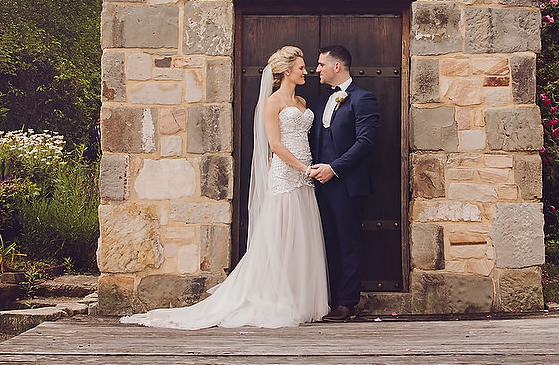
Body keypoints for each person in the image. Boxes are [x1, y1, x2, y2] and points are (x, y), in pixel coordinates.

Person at [121, 46, 329, 329]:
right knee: (280, 237)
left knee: (302, 237)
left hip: (304, 176)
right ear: (285, 72)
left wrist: (308, 169)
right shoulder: (272, 103)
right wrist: (303, 168)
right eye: (301, 68)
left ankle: (297, 298)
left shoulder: (304, 103)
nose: (306, 72)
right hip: (286, 175)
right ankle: (273, 298)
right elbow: (276, 145)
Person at [309, 44, 379, 322]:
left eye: (321, 65)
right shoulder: (320, 100)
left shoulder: (364, 99)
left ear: (336, 67)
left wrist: (334, 169)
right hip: (318, 184)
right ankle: (328, 297)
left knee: (348, 242)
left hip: (347, 184)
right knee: (325, 242)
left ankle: (347, 302)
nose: (317, 70)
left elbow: (366, 142)